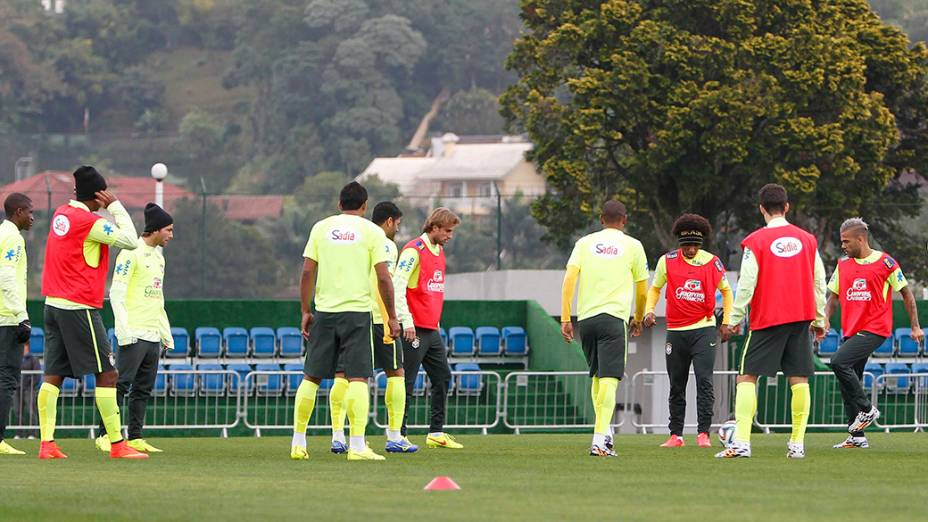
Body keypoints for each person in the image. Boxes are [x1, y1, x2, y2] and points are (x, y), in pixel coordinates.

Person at [38, 166, 148, 459]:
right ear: (99, 195)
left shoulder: (61, 213)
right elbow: (130, 240)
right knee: (108, 374)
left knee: (53, 375)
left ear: (76, 192)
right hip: (79, 307)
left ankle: (47, 444)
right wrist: (115, 206)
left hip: (52, 305)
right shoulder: (89, 222)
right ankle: (116, 444)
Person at [290, 182, 399, 461]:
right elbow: (384, 278)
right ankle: (358, 446)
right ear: (364, 206)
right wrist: (393, 316)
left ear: (339, 204)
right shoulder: (372, 232)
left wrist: (306, 310)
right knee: (358, 378)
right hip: (358, 313)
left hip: (325, 312)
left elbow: (306, 272)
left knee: (311, 376)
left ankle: (298, 442)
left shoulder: (321, 228)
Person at [716, 184, 826, 459]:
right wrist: (820, 318)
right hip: (801, 318)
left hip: (768, 318)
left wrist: (732, 319)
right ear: (787, 207)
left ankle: (741, 443)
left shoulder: (755, 241)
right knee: (799, 380)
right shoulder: (808, 240)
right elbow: (819, 281)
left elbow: (746, 283)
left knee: (746, 377)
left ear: (761, 208)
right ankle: (797, 444)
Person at [824, 217, 923, 449]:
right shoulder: (843, 265)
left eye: (846, 241)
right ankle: (857, 437)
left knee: (838, 362)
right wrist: (825, 320)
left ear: (861, 239)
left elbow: (907, 294)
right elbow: (833, 298)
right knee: (848, 382)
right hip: (852, 330)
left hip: (875, 329)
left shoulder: (886, 263)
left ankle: (867, 410)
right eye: (841, 242)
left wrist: (915, 325)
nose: (843, 246)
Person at [561, 200, 649, 457]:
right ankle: (600, 439)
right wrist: (639, 317)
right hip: (614, 318)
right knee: (610, 378)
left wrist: (566, 317)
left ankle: (605, 432)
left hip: (587, 319)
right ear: (625, 220)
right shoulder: (633, 245)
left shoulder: (584, 243)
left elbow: (569, 280)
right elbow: (642, 288)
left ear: (601, 219)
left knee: (597, 376)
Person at [329, 202, 418, 454]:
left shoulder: (354, 239)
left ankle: (339, 436)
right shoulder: (385, 244)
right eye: (398, 225)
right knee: (396, 373)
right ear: (389, 221)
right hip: (378, 318)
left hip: (350, 315)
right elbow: (385, 281)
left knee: (344, 375)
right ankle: (394, 436)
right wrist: (393, 318)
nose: (397, 230)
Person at [643, 214, 733, 448]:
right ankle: (676, 435)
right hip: (676, 330)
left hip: (703, 329)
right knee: (677, 384)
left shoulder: (712, 262)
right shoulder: (667, 261)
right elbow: (654, 289)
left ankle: (704, 433)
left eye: (695, 245)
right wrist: (649, 311)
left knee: (705, 381)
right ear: (680, 244)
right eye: (687, 246)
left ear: (700, 243)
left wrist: (726, 322)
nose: (691, 250)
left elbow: (727, 291)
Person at [95, 203, 174, 454]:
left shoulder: (159, 258)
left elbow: (157, 298)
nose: (171, 235)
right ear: (155, 230)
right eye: (169, 230)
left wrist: (164, 331)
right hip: (133, 333)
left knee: (143, 388)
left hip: (152, 334)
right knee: (120, 385)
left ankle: (136, 436)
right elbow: (116, 293)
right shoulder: (130, 252)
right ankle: (105, 434)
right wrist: (123, 329)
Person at [394, 207, 462, 449]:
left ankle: (436, 432)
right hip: (413, 330)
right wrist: (406, 321)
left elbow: (433, 293)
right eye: (447, 231)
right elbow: (397, 286)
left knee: (443, 378)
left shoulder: (439, 251)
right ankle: (397, 436)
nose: (450, 235)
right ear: (434, 228)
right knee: (407, 384)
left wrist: (436, 322)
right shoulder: (413, 250)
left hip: (431, 330)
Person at [0, 193, 34, 455]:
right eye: (29, 212)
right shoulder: (13, 237)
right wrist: (21, 315)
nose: (32, 217)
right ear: (18, 212)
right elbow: (7, 276)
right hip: (7, 319)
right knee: (7, 379)